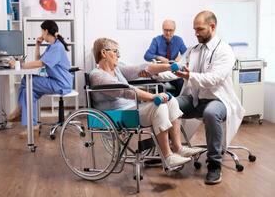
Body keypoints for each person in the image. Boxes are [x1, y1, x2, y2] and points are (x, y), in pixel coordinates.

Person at [90, 37, 203, 170]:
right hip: (115, 116)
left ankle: (178, 148)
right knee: (159, 105)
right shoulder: (97, 75)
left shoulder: (117, 69)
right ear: (104, 53)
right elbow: (125, 91)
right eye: (115, 52)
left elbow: (142, 68)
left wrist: (170, 66)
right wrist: (153, 96)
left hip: (131, 110)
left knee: (170, 100)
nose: (118, 56)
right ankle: (167, 156)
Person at [173, 11, 245, 184]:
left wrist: (189, 75)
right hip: (195, 99)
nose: (196, 33)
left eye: (200, 29)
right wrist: (158, 73)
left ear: (212, 27)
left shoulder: (225, 51)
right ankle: (172, 153)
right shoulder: (194, 50)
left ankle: (214, 165)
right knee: (171, 104)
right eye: (194, 29)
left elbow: (214, 79)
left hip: (218, 100)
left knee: (211, 113)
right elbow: (177, 68)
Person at [8, 20, 73, 137]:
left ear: (46, 31)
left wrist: (19, 64)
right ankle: (32, 125)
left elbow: (40, 63)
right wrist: (37, 45)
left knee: (26, 81)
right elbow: (39, 59)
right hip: (56, 81)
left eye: (42, 31)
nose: (41, 34)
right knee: (29, 91)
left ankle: (19, 109)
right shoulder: (52, 46)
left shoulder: (57, 47)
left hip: (61, 84)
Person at [144, 19, 187, 96]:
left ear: (174, 30)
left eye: (170, 30)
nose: (168, 33)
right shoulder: (156, 40)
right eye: (166, 30)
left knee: (182, 84)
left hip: (173, 71)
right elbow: (147, 55)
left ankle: (177, 103)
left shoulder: (178, 40)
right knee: (159, 88)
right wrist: (158, 57)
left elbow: (187, 54)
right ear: (162, 29)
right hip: (160, 71)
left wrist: (181, 57)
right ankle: (163, 105)